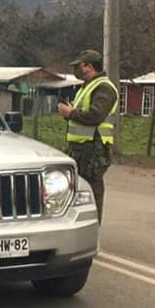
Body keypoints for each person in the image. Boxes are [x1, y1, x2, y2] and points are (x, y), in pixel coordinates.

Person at [57, 49, 119, 224]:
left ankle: (92, 227)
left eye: (78, 66)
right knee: (78, 191)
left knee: (91, 189)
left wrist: (71, 113)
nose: (75, 70)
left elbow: (96, 116)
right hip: (81, 148)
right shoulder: (88, 87)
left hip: (93, 148)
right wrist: (69, 112)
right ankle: (79, 226)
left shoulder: (104, 88)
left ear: (89, 67)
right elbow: (84, 115)